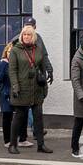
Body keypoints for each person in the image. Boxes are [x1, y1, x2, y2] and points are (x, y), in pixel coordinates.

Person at [7, 24, 52, 154]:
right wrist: (15, 86)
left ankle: (41, 145)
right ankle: (13, 144)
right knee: (18, 117)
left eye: (29, 35)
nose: (26, 37)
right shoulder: (15, 50)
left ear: (33, 37)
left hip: (36, 89)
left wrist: (45, 87)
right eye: (24, 34)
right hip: (21, 89)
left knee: (38, 118)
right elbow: (12, 71)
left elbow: (42, 69)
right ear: (22, 36)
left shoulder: (38, 49)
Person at [0, 42, 16, 147]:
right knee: (7, 117)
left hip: (15, 95)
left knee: (15, 117)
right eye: (9, 51)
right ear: (6, 52)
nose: (11, 53)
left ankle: (15, 139)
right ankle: (7, 140)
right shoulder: (3, 64)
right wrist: (5, 92)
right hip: (6, 95)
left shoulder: (15, 64)